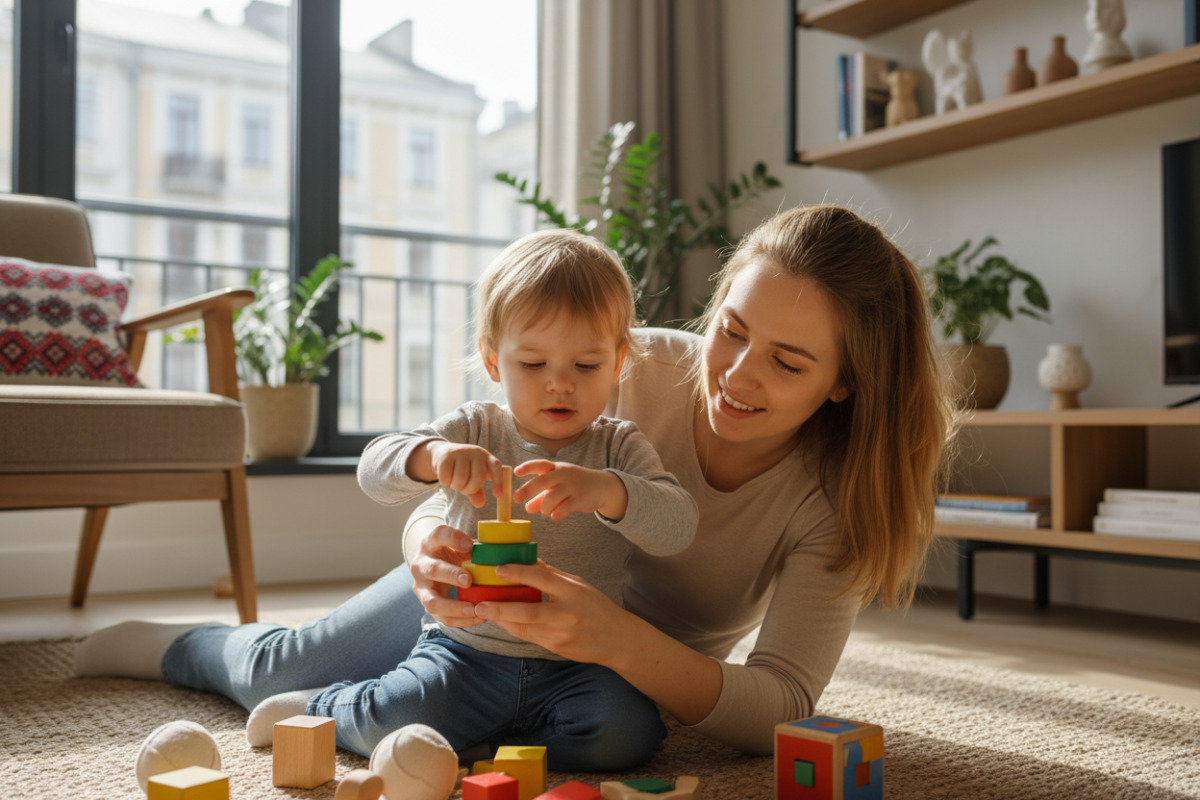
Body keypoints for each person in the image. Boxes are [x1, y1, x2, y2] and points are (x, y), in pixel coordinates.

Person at [77, 203, 953, 760]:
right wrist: (429, 550)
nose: (735, 375)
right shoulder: (620, 366)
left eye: (787, 361)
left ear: (843, 383)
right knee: (286, 669)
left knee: (598, 731)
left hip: (619, 666)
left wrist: (612, 637)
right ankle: (164, 643)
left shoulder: (831, 501)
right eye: (731, 331)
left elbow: (784, 706)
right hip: (486, 604)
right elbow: (453, 449)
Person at [75, 228, 698, 771]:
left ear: (619, 362)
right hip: (467, 652)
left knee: (628, 735)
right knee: (399, 712)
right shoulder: (477, 426)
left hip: (577, 666)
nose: (559, 382)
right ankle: (322, 707)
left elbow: (678, 527)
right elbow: (376, 470)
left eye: (586, 366)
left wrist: (608, 491)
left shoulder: (618, 445)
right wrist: (430, 458)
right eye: (533, 362)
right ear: (492, 358)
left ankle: (466, 740)